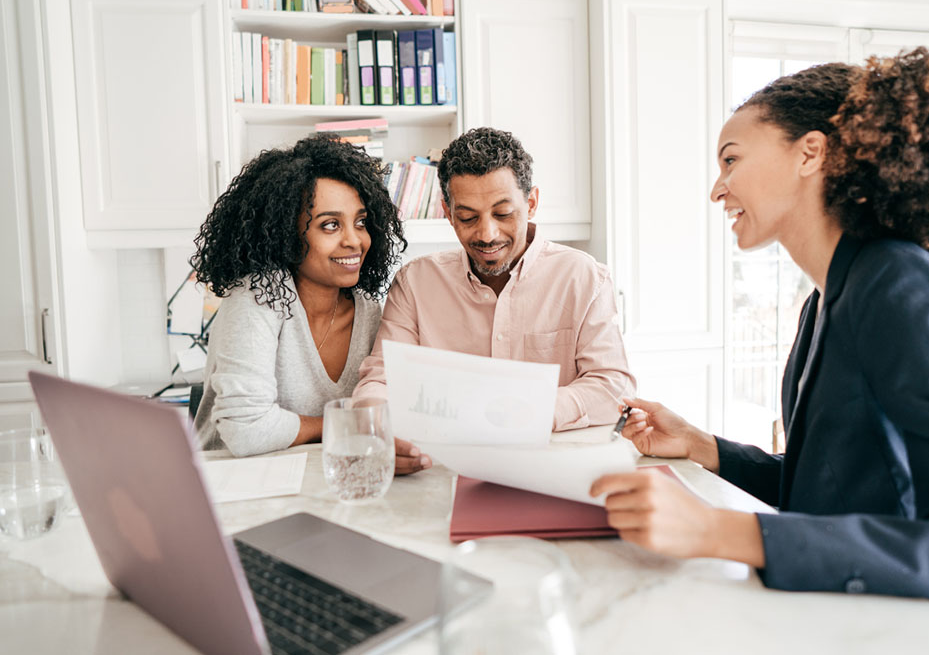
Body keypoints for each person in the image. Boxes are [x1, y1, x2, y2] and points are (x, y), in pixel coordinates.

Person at [591, 48, 929, 634]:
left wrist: (714, 529)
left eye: (731, 160)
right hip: (845, 614)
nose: (717, 188)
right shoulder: (828, 298)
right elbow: (828, 493)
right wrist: (704, 447)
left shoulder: (896, 283)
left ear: (811, 152)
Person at [354, 127, 636, 474]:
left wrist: (531, 410)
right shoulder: (415, 283)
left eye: (503, 214)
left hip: (555, 471)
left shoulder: (585, 278)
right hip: (441, 471)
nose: (487, 234)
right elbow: (380, 379)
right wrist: (377, 428)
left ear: (531, 203)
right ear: (447, 211)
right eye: (468, 217)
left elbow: (612, 387)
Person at [191, 134, 406, 457]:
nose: (354, 241)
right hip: (232, 486)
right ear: (285, 233)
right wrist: (345, 424)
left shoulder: (369, 311)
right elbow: (246, 430)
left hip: (320, 481)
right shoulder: (256, 297)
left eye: (360, 222)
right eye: (330, 225)